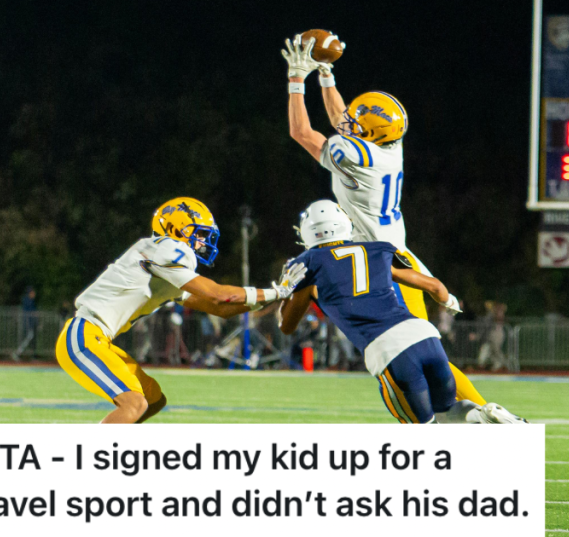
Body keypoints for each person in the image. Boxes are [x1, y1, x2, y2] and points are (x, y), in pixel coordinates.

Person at [281, 34, 489, 408]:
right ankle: (478, 412)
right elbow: (342, 121)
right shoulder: (388, 145)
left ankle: (485, 411)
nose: (348, 121)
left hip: (380, 261)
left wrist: (297, 78)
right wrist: (326, 76)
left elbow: (302, 132)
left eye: (358, 122)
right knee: (422, 348)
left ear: (370, 134)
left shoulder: (359, 159)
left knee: (415, 349)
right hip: (390, 253)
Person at [56, 197, 306, 424]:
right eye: (199, 233)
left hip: (100, 339)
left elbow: (219, 308)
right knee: (134, 404)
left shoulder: (165, 269)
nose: (203, 241)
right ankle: (85, 453)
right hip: (84, 335)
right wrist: (276, 292)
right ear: (176, 229)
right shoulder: (161, 248)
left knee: (153, 400)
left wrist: (269, 299)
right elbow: (218, 294)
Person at [278, 201, 526, 424]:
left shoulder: (307, 266)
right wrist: (449, 301)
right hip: (424, 336)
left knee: (421, 432)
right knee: (448, 410)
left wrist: (285, 292)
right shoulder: (376, 250)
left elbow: (287, 326)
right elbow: (435, 286)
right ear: (344, 224)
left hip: (388, 349)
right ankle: (484, 413)